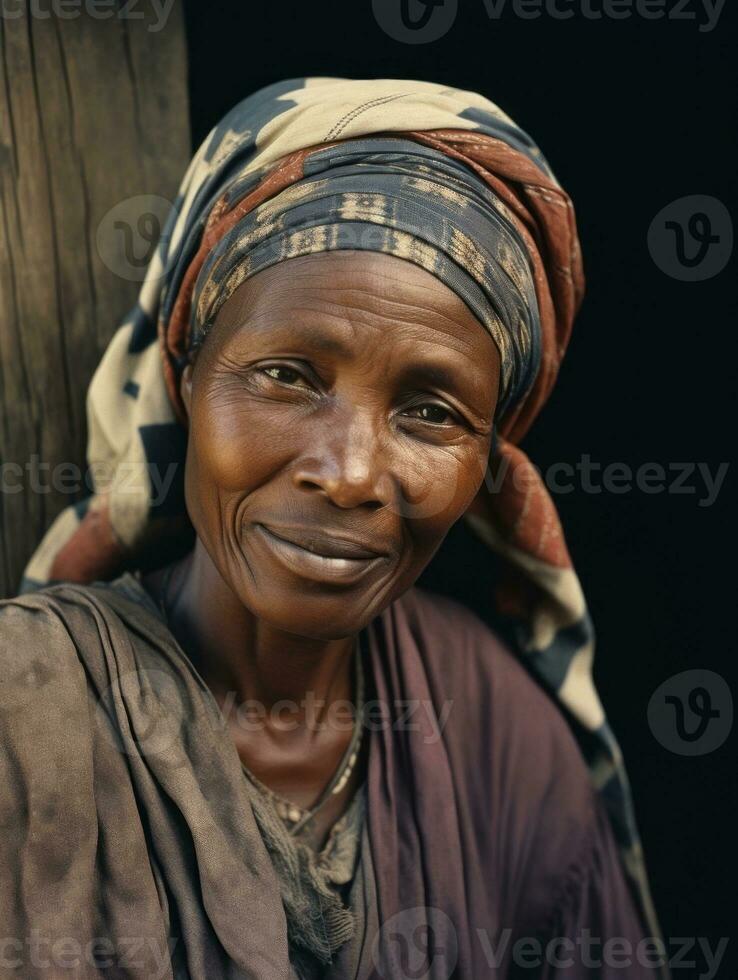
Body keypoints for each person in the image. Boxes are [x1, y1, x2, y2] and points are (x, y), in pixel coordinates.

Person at [2, 78, 668, 979]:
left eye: (431, 413)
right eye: (286, 375)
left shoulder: (498, 736)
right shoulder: (24, 711)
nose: (351, 472)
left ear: (488, 459)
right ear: (186, 375)